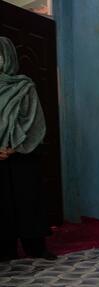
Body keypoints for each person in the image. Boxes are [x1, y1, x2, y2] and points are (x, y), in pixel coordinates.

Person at [0, 37, 56, 261]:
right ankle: (5, 249)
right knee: (2, 203)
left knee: (28, 199)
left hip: (23, 153)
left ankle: (36, 247)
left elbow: (34, 120)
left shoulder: (25, 86)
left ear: (10, 57)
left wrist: (15, 147)